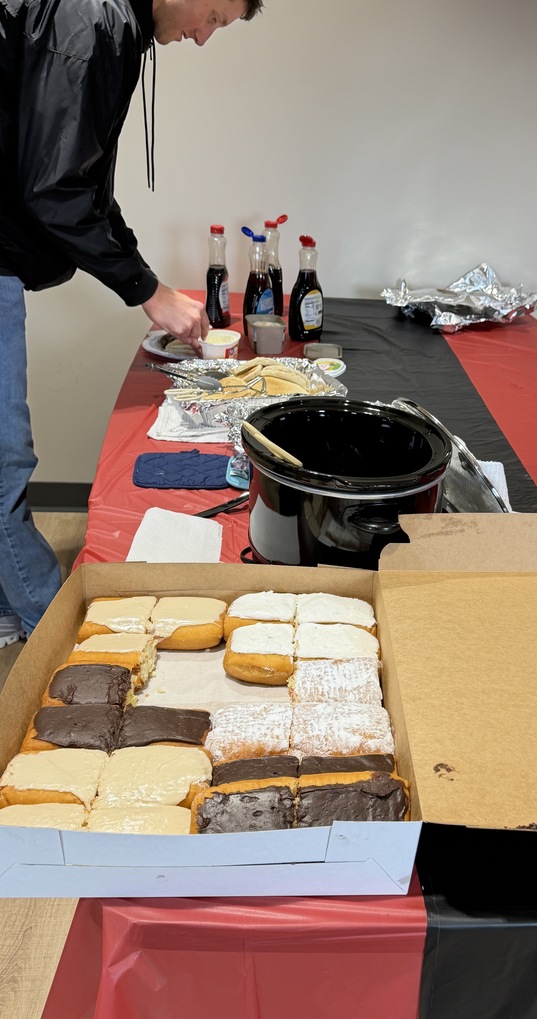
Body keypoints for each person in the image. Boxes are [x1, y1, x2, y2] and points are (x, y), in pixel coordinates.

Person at [0, 0, 262, 646]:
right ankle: (56, 635)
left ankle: (9, 607)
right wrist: (148, 293)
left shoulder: (108, 18)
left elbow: (83, 185)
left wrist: (149, 281)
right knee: (4, 461)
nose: (202, 39)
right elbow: (55, 188)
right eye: (215, 18)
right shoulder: (94, 22)